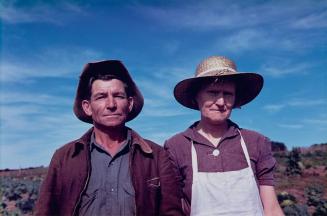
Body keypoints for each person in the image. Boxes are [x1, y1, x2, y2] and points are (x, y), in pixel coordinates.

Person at [35, 60, 184, 216]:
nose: (111, 104)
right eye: (101, 97)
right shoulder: (64, 158)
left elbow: (172, 212)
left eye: (118, 96)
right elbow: (44, 211)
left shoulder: (156, 156)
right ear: (87, 107)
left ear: (130, 103)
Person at [164, 56, 284, 216]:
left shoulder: (256, 142)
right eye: (212, 93)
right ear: (196, 96)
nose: (221, 101)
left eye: (228, 94)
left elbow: (271, 208)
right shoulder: (176, 146)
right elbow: (173, 208)